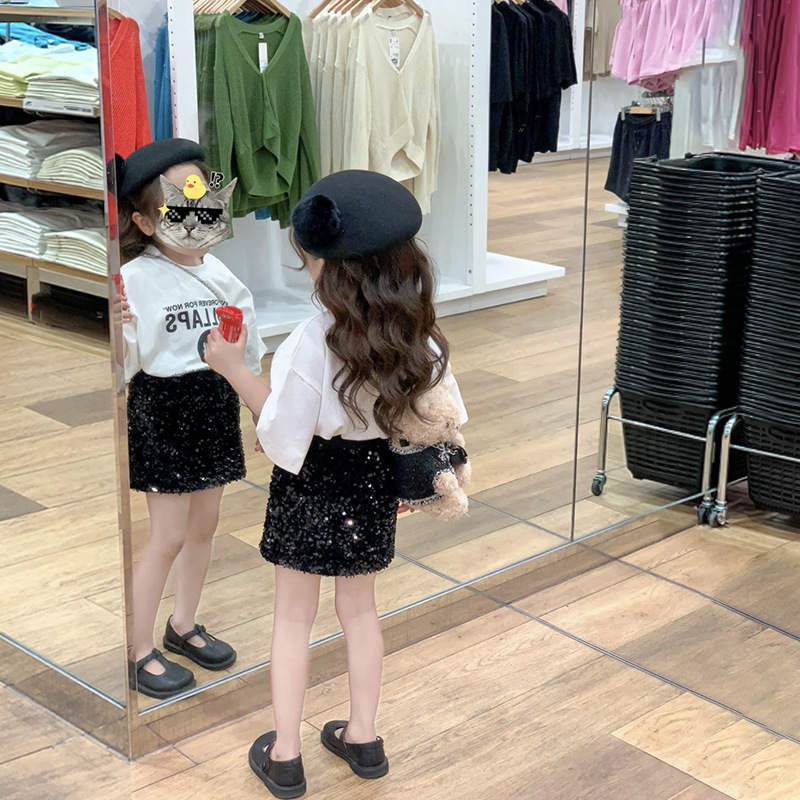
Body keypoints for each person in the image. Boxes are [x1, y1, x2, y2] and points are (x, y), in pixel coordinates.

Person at [205, 170, 467, 798]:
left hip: (312, 485)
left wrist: (233, 369)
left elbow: (280, 436)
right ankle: (364, 738)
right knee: (361, 610)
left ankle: (286, 755)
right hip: (374, 481)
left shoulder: (312, 341)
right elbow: (443, 415)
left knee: (293, 617)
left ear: (323, 263)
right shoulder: (419, 337)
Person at [116, 138, 267, 699]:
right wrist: (116, 326)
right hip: (164, 409)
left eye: (202, 203)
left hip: (215, 404)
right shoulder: (134, 279)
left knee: (204, 527)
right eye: (177, 207)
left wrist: (259, 411)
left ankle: (182, 624)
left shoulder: (223, 275)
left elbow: (248, 350)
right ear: (144, 221)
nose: (194, 217)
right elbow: (125, 364)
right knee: (167, 535)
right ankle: (138, 649)